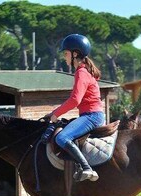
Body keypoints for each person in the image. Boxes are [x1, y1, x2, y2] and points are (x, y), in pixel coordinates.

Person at [43, 34, 104, 182]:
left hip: (91, 116)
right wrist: (53, 112)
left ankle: (86, 168)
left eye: (66, 53)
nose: (64, 57)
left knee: (62, 137)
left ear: (75, 54)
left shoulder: (81, 72)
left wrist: (55, 114)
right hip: (89, 115)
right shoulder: (84, 71)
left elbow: (75, 100)